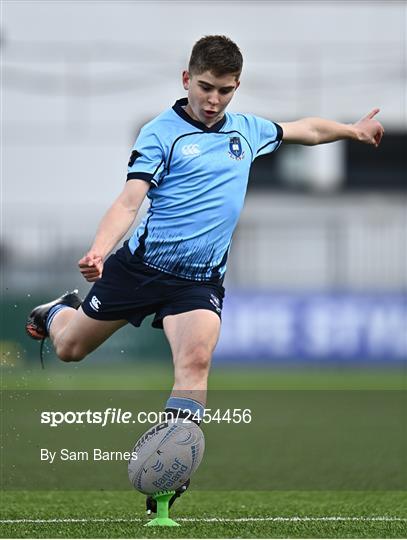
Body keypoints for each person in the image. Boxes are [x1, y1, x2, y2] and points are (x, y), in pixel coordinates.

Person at [26, 35, 384, 510]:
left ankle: (168, 477)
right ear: (186, 79)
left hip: (198, 281)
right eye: (206, 87)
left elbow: (305, 130)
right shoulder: (161, 132)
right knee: (70, 349)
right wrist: (98, 250)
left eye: (226, 90)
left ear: (237, 87)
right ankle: (57, 313)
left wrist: (351, 132)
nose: (214, 100)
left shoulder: (246, 130)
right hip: (138, 269)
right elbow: (129, 201)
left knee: (194, 364)